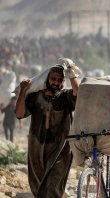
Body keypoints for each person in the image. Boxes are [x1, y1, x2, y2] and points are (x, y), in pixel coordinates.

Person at [15, 60, 80, 197]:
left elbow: (78, 93)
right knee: (39, 188)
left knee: (53, 186)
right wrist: (23, 92)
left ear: (63, 82)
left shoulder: (65, 96)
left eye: (59, 80)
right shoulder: (35, 97)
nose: (56, 82)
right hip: (37, 150)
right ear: (47, 79)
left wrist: (71, 74)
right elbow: (19, 114)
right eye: (53, 79)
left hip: (60, 150)